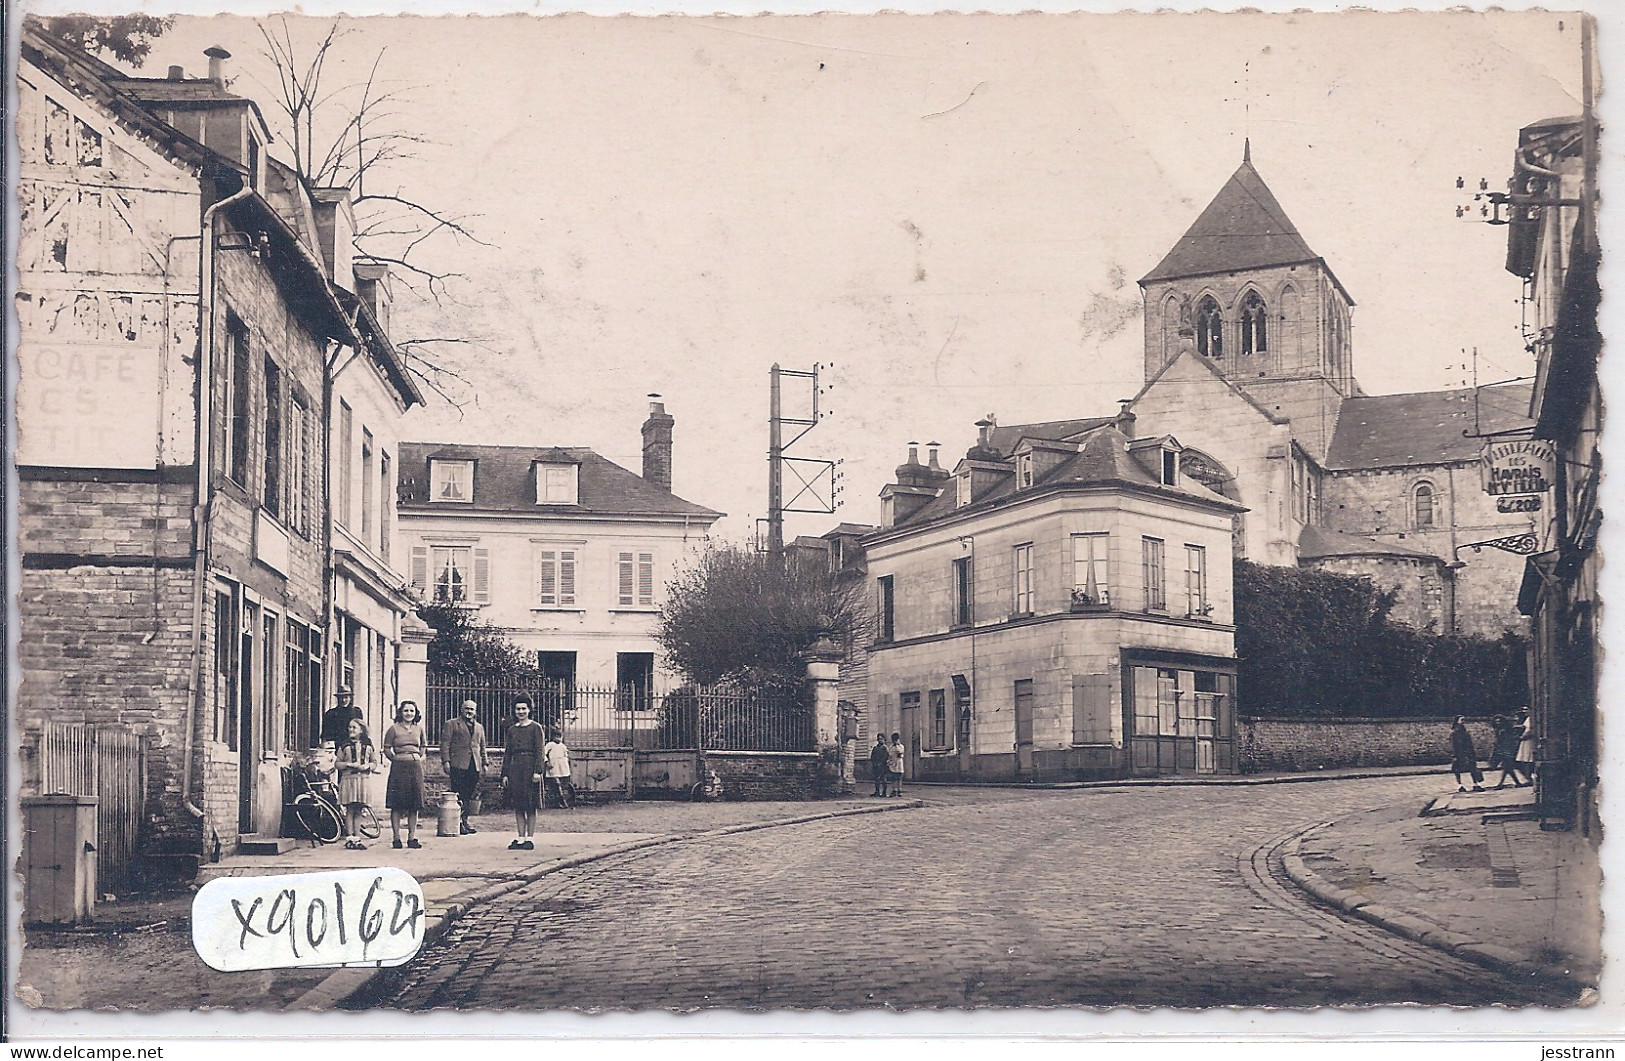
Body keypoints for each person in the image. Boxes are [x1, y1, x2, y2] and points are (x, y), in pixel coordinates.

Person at [383, 701, 428, 849]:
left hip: (415, 767)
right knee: (396, 804)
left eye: (412, 711)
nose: (409, 714)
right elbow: (387, 748)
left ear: (416, 713)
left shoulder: (419, 729)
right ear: (400, 712)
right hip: (398, 768)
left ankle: (412, 837)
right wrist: (396, 759)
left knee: (414, 804)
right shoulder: (393, 729)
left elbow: (423, 746)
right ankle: (396, 838)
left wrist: (416, 756)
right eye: (406, 711)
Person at [441, 700, 488, 834]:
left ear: (475, 711)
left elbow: (482, 747)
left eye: (472, 709)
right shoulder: (451, 724)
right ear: (461, 710)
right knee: (458, 794)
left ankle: (464, 821)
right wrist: (446, 761)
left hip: (474, 765)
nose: (469, 711)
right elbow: (445, 744)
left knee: (469, 794)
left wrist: (484, 763)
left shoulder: (479, 727)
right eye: (466, 709)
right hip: (458, 764)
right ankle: (457, 823)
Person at [503, 699, 544, 849]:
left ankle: (530, 838)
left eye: (523, 709)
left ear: (529, 710)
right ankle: (520, 838)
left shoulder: (536, 728)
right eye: (518, 709)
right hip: (516, 769)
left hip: (530, 767)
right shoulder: (512, 730)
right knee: (519, 805)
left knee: (531, 804)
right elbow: (508, 753)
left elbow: (540, 751)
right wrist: (505, 774)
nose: (521, 712)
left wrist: (538, 771)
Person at [335, 719, 379, 850]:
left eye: (354, 727)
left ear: (361, 730)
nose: (351, 730)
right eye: (349, 727)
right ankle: (350, 838)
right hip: (349, 779)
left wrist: (368, 766)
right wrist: (348, 764)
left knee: (359, 809)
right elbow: (337, 763)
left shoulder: (368, 745)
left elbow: (374, 762)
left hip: (363, 780)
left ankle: (357, 838)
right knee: (350, 809)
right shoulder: (344, 745)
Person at [1489, 715, 1527, 789]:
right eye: (1496, 721)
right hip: (1502, 750)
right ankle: (1516, 783)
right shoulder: (1498, 730)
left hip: (1507, 750)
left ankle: (1501, 784)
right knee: (1508, 768)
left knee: (1507, 768)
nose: (1498, 723)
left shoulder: (1507, 729)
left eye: (1499, 721)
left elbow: (1521, 728)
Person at [1450, 716, 1484, 793]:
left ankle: (1476, 784)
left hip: (1469, 753)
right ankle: (1460, 785)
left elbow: (1470, 744)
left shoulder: (1465, 733)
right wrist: (1454, 755)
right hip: (1459, 754)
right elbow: (1453, 745)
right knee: (1457, 770)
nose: (1463, 721)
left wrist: (1472, 753)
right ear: (1457, 721)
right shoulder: (1454, 733)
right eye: (1461, 720)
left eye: (1464, 720)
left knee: (1473, 768)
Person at [542, 727, 574, 810]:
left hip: (562, 766)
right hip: (553, 766)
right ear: (553, 737)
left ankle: (564, 801)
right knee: (556, 784)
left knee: (563, 785)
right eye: (556, 737)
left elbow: (566, 755)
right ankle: (559, 802)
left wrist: (567, 762)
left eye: (560, 737)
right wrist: (547, 762)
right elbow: (543, 754)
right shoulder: (550, 745)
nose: (558, 739)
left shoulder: (563, 746)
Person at [1514, 709, 1538, 787]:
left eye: (1527, 710)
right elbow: (1524, 727)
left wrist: (1523, 737)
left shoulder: (1532, 718)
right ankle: (1528, 777)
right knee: (1525, 759)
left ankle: (1529, 778)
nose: (1525, 712)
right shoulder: (1528, 718)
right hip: (1525, 740)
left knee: (1528, 759)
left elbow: (1530, 730)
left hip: (1529, 741)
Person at [887, 732, 906, 797]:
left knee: (899, 778)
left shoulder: (901, 746)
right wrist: (889, 762)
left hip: (899, 764)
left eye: (896, 739)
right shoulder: (891, 747)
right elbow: (890, 755)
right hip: (893, 764)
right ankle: (894, 790)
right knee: (893, 778)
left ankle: (899, 790)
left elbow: (900, 753)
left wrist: (897, 745)